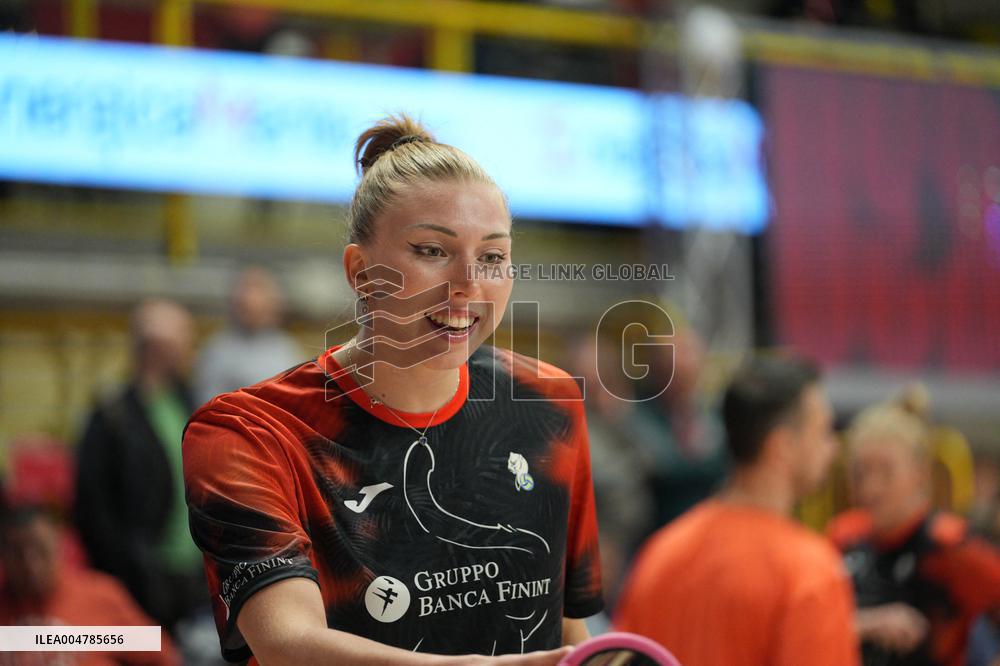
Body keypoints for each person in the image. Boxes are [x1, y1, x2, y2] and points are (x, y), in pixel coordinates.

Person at [182, 114, 603, 665]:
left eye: (493, 257)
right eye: (432, 251)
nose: (469, 285)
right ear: (360, 272)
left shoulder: (547, 400)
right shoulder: (249, 433)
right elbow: (289, 646)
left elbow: (566, 625)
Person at [614, 353, 859, 666]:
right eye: (824, 430)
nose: (834, 447)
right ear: (782, 446)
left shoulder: (661, 554)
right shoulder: (809, 571)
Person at [826, 386, 1000, 666]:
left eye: (886, 471)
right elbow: (813, 627)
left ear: (919, 473)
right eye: (860, 472)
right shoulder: (843, 536)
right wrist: (869, 624)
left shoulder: (950, 545)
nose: (871, 487)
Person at [73, 299, 207, 635]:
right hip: (139, 579)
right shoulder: (112, 416)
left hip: (192, 575)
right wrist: (126, 568)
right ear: (159, 349)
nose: (191, 350)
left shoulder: (189, 402)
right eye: (184, 342)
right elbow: (92, 506)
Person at [0, 504, 179, 666]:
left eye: (41, 550)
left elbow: (164, 655)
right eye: (17, 554)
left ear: (58, 544)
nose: (31, 564)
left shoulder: (99, 597)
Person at [193, 266, 303, 407]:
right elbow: (207, 407)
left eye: (262, 293)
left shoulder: (286, 348)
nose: (252, 300)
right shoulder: (218, 351)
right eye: (247, 294)